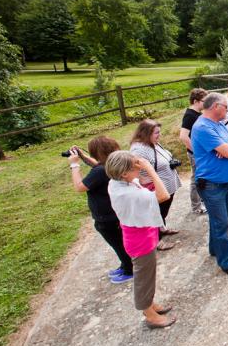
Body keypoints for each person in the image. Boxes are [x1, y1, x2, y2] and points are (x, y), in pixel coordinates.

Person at [105, 151, 176, 329]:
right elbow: (163, 195)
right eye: (134, 167)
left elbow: (138, 182)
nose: (138, 169)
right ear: (123, 173)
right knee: (144, 278)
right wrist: (150, 170)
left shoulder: (117, 183)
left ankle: (150, 304)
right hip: (140, 241)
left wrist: (136, 165)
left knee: (148, 275)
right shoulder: (130, 194)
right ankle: (149, 314)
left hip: (142, 234)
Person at [191, 92, 228, 279]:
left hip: (222, 182)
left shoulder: (218, 124)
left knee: (223, 218)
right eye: (225, 107)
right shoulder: (203, 128)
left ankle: (216, 248)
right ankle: (226, 262)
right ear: (215, 107)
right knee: (220, 222)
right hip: (211, 184)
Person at [66, 136, 134, 284]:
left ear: (96, 153)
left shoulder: (99, 172)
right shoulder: (113, 165)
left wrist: (74, 165)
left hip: (105, 217)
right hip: (115, 213)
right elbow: (98, 164)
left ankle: (130, 270)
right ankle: (125, 265)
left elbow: (79, 187)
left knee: (118, 244)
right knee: (120, 241)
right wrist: (83, 157)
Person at [129, 119, 182, 251]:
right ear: (146, 133)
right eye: (156, 133)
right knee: (155, 214)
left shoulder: (151, 143)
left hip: (166, 186)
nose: (160, 135)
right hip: (157, 189)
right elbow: (138, 171)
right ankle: (157, 241)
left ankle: (162, 228)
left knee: (161, 213)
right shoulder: (139, 150)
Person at [179, 88, 208, 214]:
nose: (206, 103)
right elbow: (183, 136)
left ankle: (202, 201)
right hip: (195, 154)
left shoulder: (198, 114)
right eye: (204, 101)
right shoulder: (190, 115)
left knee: (201, 177)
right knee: (196, 178)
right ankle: (196, 206)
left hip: (201, 153)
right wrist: (196, 151)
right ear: (196, 101)